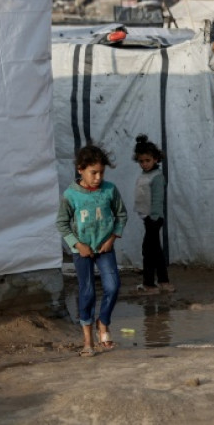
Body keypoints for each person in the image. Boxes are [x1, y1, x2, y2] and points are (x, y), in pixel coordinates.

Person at [56, 144, 127, 357]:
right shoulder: (71, 195)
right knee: (86, 292)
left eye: (101, 173)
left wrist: (112, 238)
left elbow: (121, 215)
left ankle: (103, 322)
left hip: (105, 247)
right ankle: (87, 341)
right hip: (82, 251)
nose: (98, 177)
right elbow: (62, 223)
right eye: (93, 173)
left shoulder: (109, 190)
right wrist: (78, 245)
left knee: (113, 286)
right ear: (80, 169)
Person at [132, 134, 173, 295]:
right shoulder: (145, 175)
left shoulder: (156, 177)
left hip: (153, 219)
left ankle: (149, 284)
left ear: (156, 159)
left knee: (148, 251)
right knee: (155, 251)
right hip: (148, 218)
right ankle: (164, 282)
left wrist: (153, 219)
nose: (144, 164)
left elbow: (157, 200)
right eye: (141, 161)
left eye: (147, 161)